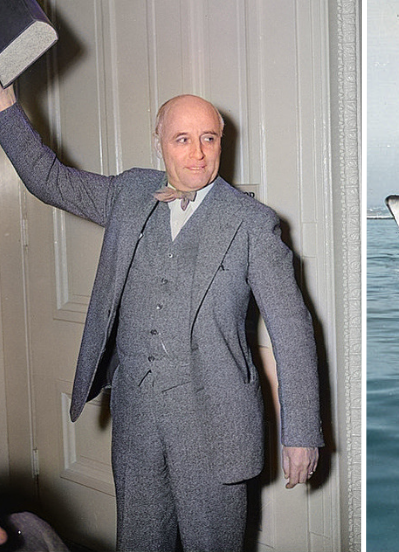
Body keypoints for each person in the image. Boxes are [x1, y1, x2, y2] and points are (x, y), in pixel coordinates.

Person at [0, 85, 322, 551]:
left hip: (215, 428)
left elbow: (293, 331)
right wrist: (6, 104)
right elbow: (47, 179)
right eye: (182, 139)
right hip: (136, 421)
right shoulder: (130, 193)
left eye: (209, 138)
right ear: (159, 141)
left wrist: (301, 433)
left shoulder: (252, 223)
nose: (197, 153)